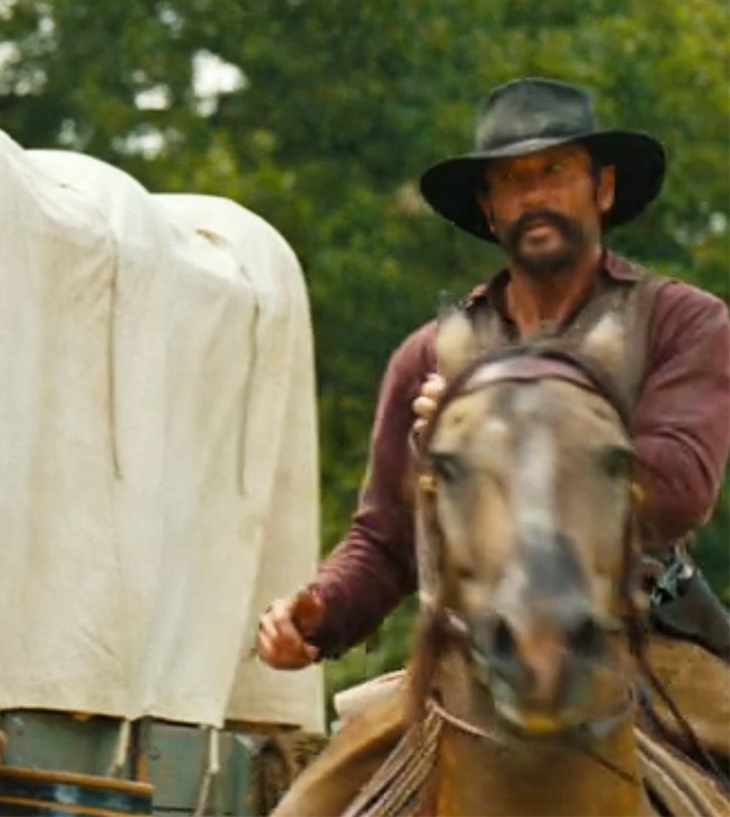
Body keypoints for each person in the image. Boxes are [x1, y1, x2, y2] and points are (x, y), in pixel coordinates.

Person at [257, 78, 730, 809]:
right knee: (302, 808)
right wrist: (319, 612)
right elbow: (385, 537)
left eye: (553, 172)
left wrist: (499, 424)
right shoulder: (426, 356)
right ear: (488, 208)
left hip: (644, 648)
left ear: (602, 188)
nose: (533, 195)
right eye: (511, 180)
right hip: (461, 663)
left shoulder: (681, 323)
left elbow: (680, 488)